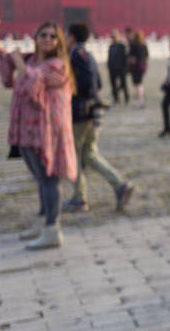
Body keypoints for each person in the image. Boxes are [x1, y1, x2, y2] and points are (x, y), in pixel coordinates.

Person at [0, 8, 77, 249]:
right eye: (43, 35)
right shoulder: (29, 60)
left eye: (52, 36)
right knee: (40, 178)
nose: (47, 39)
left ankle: (52, 229)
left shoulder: (57, 65)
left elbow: (33, 81)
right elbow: (1, 56)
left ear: (58, 41)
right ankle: (43, 222)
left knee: (49, 178)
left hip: (49, 131)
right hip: (26, 128)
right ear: (35, 38)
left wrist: (17, 61)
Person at [62, 22, 135, 213]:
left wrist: (72, 90)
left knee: (75, 156)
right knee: (89, 154)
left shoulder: (75, 55)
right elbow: (99, 83)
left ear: (71, 37)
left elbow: (86, 82)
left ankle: (79, 199)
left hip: (80, 113)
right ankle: (120, 185)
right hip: (93, 111)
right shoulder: (87, 54)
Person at [107, 29, 129, 105]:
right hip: (112, 69)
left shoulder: (122, 46)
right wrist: (109, 66)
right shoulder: (111, 46)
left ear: (119, 37)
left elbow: (125, 58)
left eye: (115, 36)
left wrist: (125, 68)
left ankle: (126, 98)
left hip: (121, 68)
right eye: (112, 37)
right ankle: (116, 98)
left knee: (123, 84)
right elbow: (109, 57)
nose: (113, 38)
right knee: (113, 85)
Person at [127, 29, 149, 108]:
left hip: (136, 67)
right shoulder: (144, 45)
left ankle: (140, 100)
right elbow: (147, 55)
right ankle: (140, 100)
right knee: (139, 84)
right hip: (142, 66)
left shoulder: (134, 45)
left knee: (138, 84)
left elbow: (131, 56)